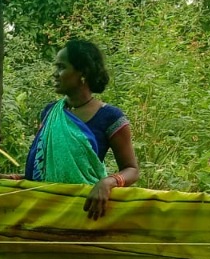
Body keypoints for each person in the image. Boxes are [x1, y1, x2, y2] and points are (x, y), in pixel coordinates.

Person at [22, 38, 140, 221]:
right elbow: (44, 166)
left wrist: (108, 182)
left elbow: (131, 169)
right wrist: (17, 178)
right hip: (42, 209)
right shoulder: (50, 112)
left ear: (82, 73)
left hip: (86, 210)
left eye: (61, 67)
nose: (55, 74)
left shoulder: (110, 117)